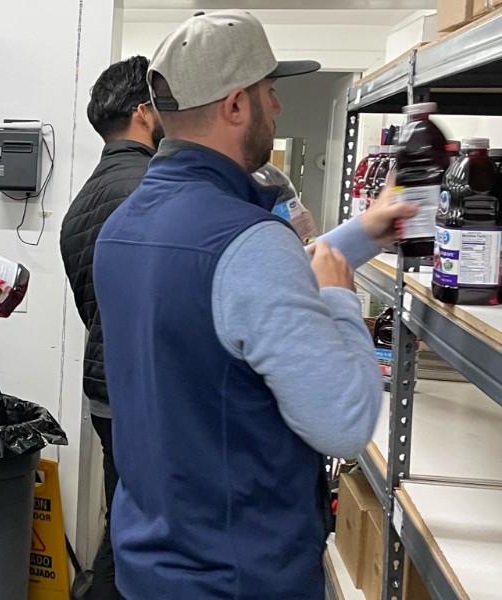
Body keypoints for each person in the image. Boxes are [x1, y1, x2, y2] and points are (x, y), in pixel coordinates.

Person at [91, 11, 418, 598]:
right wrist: (341, 300)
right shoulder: (248, 241)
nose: (279, 107)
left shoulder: (123, 229)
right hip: (241, 573)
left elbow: (237, 293)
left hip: (153, 562)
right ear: (236, 105)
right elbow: (343, 423)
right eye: (271, 92)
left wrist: (365, 233)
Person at [58, 54, 162, 600]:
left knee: (124, 519)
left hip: (105, 392)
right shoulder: (149, 190)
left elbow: (91, 304)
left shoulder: (82, 201)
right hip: (140, 393)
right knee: (140, 535)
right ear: (144, 112)